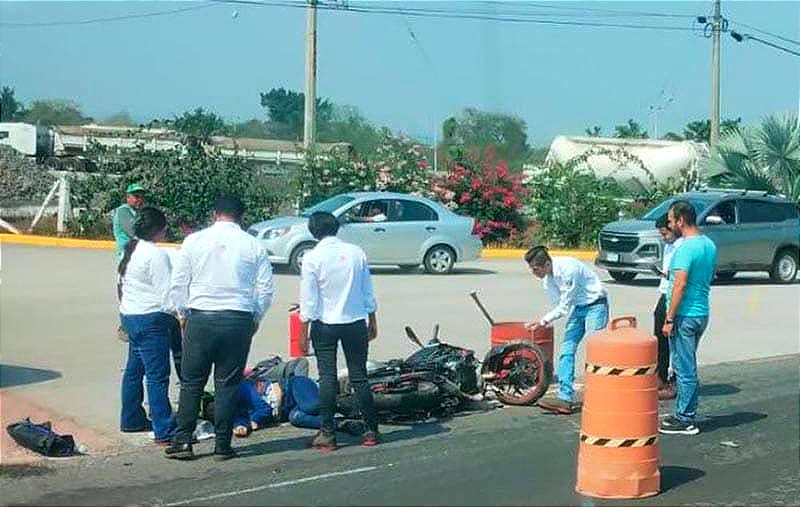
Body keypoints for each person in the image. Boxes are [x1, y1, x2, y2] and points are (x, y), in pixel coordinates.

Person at [164, 196, 275, 461]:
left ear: (215, 214)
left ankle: (183, 441)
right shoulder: (254, 245)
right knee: (228, 383)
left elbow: (179, 283)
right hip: (237, 319)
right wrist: (255, 317)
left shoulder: (194, 241)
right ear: (241, 216)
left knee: (192, 382)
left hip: (201, 317)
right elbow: (265, 289)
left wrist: (181, 314)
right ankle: (223, 445)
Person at [299, 211, 379, 451]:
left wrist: (303, 332)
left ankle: (328, 434)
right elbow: (367, 290)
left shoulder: (312, 258)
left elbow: (308, 300)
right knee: (359, 376)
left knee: (327, 377)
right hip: (355, 322)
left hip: (325, 325)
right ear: (336, 228)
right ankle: (371, 431)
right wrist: (372, 320)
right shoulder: (356, 253)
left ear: (314, 232)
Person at [524, 245, 609, 415]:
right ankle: (565, 398)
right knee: (566, 351)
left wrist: (543, 321)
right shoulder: (548, 280)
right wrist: (545, 320)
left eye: (536, 269)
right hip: (578, 308)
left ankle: (599, 396)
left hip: (596, 306)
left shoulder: (568, 269)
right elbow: (558, 305)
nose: (534, 273)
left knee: (595, 353)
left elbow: (563, 307)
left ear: (547, 264)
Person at [117, 207, 177, 445]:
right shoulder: (155, 255)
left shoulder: (130, 249)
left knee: (134, 370)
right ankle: (164, 429)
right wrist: (182, 316)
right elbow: (167, 296)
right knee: (157, 376)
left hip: (131, 316)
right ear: (158, 229)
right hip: (151, 319)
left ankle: (131, 419)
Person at [659, 200, 717, 436]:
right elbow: (708, 275)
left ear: (681, 220)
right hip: (701, 312)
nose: (670, 225)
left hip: (685, 315)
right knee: (686, 365)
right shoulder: (709, 245)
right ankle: (685, 413)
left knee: (684, 368)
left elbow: (680, 285)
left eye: (672, 221)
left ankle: (686, 418)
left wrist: (669, 318)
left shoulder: (685, 248)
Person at [653, 215, 683, 400]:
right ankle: (661, 376)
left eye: (665, 233)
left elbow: (679, 278)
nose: (663, 237)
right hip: (664, 292)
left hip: (673, 295)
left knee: (672, 339)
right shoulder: (669, 246)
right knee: (659, 337)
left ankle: (673, 380)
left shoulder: (682, 247)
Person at [113, 183, 146, 263]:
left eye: (142, 197)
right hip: (126, 254)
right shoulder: (123, 211)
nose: (140, 200)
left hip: (137, 253)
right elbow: (133, 232)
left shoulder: (138, 212)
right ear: (128, 198)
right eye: (136, 196)